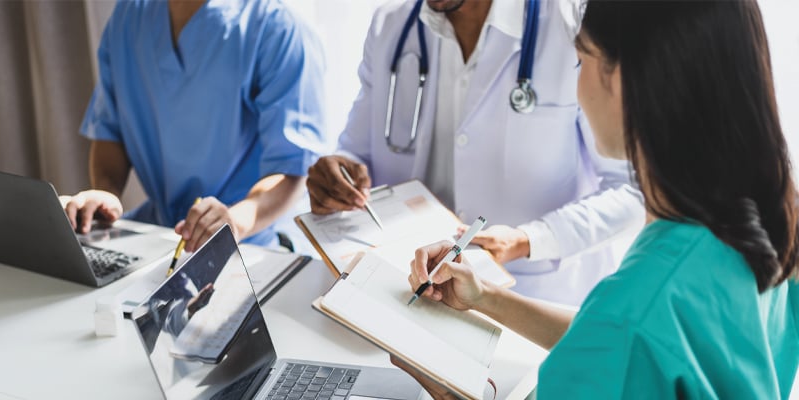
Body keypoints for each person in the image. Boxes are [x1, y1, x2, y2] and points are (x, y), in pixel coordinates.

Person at [397, 0, 799, 398]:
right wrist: (488, 298)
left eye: (582, 59)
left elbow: (623, 339)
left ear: (622, 80)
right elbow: (623, 344)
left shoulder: (635, 314)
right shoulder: (765, 226)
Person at [306, 0, 644, 305]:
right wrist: (339, 176)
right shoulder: (390, 26)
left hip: (532, 301)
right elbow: (358, 153)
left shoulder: (574, 25)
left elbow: (633, 189)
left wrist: (529, 239)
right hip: (408, 293)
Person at [61, 0, 329, 252]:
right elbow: (111, 130)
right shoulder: (129, 16)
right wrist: (106, 194)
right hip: (159, 231)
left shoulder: (275, 28)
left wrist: (234, 222)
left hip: (250, 241)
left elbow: (290, 169)